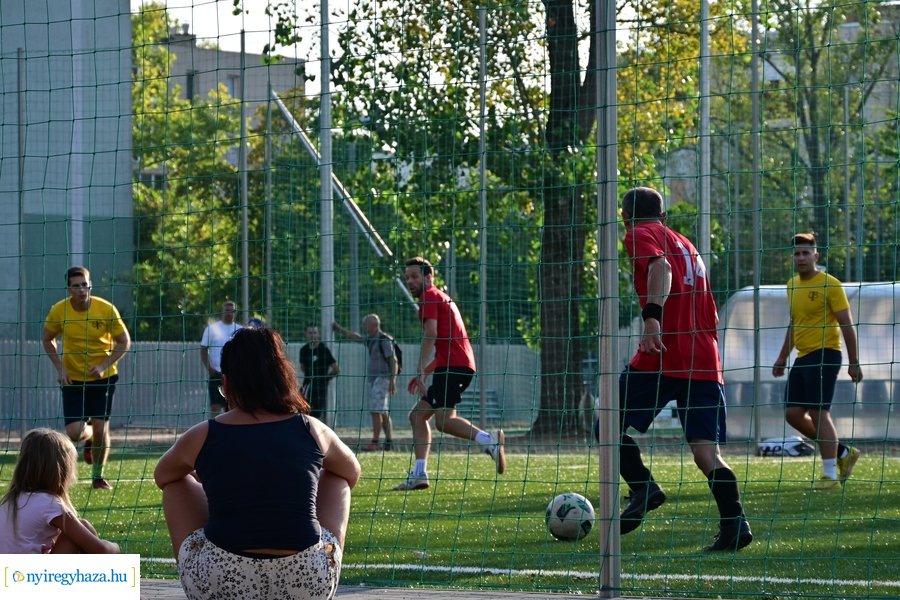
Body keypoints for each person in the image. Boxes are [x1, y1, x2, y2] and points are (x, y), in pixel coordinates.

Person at [155, 326, 361, 600]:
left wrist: (208, 474)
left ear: (227, 384)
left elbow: (163, 475)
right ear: (283, 378)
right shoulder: (313, 429)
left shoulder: (203, 434)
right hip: (306, 583)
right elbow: (352, 472)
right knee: (336, 477)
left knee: (176, 484)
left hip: (221, 584)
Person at [604, 187, 752, 551]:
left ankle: (643, 487)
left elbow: (661, 268)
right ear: (664, 215)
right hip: (704, 358)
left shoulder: (640, 233)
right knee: (706, 453)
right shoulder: (687, 243)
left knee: (606, 424)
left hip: (664, 352)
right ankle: (736, 526)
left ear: (625, 217)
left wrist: (652, 319)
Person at [395, 257, 505, 491]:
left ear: (428, 277)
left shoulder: (430, 296)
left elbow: (431, 333)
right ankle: (419, 473)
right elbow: (446, 345)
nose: (410, 281)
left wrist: (419, 367)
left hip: (453, 367)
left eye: (414, 276)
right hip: (455, 366)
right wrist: (425, 372)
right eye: (407, 278)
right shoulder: (443, 298)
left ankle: (488, 440)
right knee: (417, 417)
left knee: (443, 421)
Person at [772, 232, 862, 489]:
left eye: (806, 253)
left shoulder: (830, 284)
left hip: (826, 354)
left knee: (818, 412)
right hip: (803, 356)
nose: (801, 257)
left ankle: (830, 476)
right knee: (792, 413)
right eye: (797, 253)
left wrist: (854, 362)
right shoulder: (791, 285)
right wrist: (781, 357)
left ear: (816, 255)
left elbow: (847, 324)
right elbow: (794, 323)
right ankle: (843, 452)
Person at [42, 266, 130, 490]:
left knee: (102, 429)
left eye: (85, 284)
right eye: (76, 285)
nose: (82, 289)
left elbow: (124, 342)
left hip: (103, 377)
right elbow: (47, 339)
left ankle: (98, 477)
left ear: (90, 285)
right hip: (72, 379)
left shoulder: (105, 309)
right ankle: (88, 434)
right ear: (69, 288)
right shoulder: (59, 311)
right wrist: (60, 368)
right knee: (75, 432)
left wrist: (104, 364)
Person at [0, 428, 120, 553]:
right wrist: (116, 547)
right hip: (27, 573)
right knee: (82, 530)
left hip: (7, 571)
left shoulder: (10, 501)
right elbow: (102, 550)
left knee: (80, 530)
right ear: (61, 471)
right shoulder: (49, 504)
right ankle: (109, 571)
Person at [333, 315, 397, 452]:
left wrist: (392, 380)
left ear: (373, 325)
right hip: (374, 379)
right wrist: (340, 329)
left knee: (375, 410)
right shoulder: (371, 340)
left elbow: (393, 360)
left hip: (382, 379)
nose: (364, 328)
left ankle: (375, 442)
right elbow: (356, 337)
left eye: (366, 325)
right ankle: (389, 441)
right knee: (382, 410)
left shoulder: (383, 340)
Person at [200, 301, 242, 417]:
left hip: (233, 375)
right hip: (216, 374)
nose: (229, 313)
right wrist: (210, 368)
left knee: (232, 407)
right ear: (222, 312)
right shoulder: (212, 329)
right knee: (215, 407)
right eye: (227, 310)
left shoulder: (240, 330)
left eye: (232, 311)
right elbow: (203, 349)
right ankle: (215, 431)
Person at [298, 325, 340, 421]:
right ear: (306, 335)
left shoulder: (323, 350)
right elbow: (303, 368)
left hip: (320, 386)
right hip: (307, 385)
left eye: (314, 333)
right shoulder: (304, 350)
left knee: (316, 413)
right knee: (302, 409)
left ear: (318, 334)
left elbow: (336, 369)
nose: (312, 335)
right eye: (310, 333)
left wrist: (325, 378)